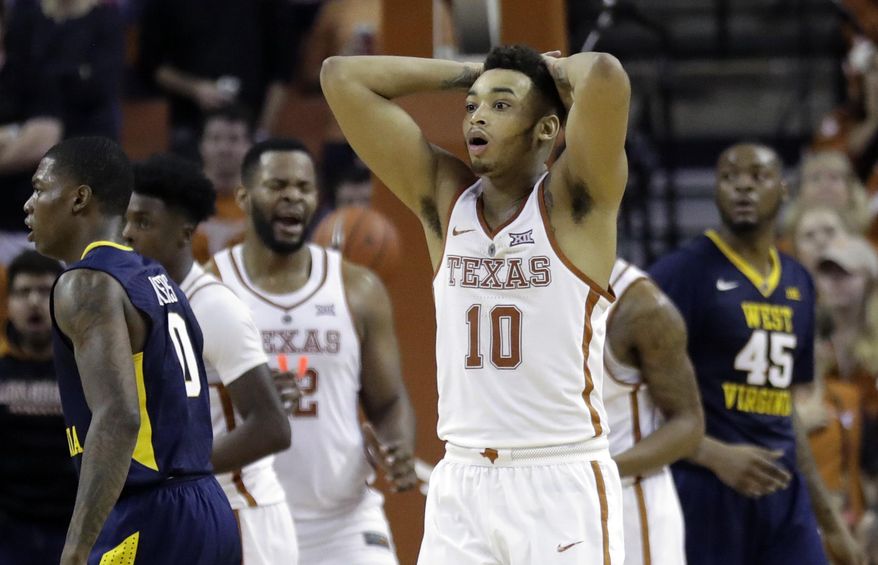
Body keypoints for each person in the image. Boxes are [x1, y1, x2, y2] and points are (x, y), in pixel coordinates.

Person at [322, 43, 630, 563]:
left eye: (501, 104)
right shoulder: (446, 202)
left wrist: (548, 69)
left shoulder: (576, 206)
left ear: (547, 130)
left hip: (558, 476)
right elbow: (341, 76)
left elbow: (604, 73)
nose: (477, 116)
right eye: (472, 106)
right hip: (464, 478)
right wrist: (475, 73)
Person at [22, 136, 240, 564]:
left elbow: (118, 416)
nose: (29, 204)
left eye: (40, 188)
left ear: (79, 198)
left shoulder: (86, 283)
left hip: (150, 513)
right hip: (208, 509)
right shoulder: (156, 278)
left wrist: (77, 546)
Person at [649, 142, 863, 565]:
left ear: (783, 190)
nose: (743, 187)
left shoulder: (799, 281)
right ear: (716, 192)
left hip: (783, 494)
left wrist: (832, 525)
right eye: (729, 177)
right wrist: (713, 454)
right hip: (706, 488)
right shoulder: (681, 273)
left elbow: (786, 407)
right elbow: (631, 392)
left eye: (757, 176)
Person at [208, 138, 417, 565]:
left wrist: (396, 446)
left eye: (304, 187)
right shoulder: (211, 291)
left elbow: (389, 401)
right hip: (247, 516)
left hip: (344, 519)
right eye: (277, 184)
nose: (293, 196)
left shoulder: (358, 287)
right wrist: (251, 398)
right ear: (244, 197)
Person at [125, 153, 299, 563]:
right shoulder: (147, 303)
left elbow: (272, 428)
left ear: (185, 232)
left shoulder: (214, 307)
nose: (129, 234)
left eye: (144, 222)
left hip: (242, 512)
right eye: (127, 221)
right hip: (188, 508)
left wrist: (170, 473)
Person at [603, 257, 704, 565]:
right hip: (543, 498)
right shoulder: (517, 290)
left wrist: (598, 472)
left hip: (628, 505)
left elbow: (688, 425)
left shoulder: (639, 304)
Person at [0, 250, 76, 565]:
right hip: (8, 526)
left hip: (74, 524)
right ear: (7, 305)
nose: (33, 301)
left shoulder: (84, 368)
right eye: (22, 292)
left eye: (44, 291)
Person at [192, 105, 253, 262]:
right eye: (215, 138)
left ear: (249, 146)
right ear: (201, 145)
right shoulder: (182, 204)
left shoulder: (261, 206)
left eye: (233, 139)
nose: (224, 148)